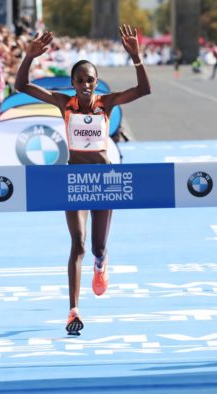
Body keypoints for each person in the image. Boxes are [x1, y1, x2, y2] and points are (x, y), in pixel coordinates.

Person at [15, 24, 152, 335]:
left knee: (97, 248)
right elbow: (21, 85)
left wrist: (137, 58)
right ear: (72, 83)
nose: (86, 85)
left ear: (96, 82)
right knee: (77, 243)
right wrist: (28, 56)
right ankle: (73, 310)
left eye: (91, 80)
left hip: (103, 179)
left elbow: (144, 90)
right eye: (80, 81)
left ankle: (101, 265)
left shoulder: (107, 103)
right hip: (74, 178)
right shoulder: (65, 104)